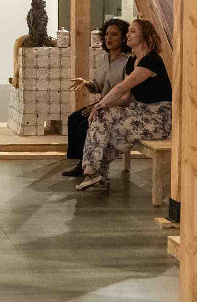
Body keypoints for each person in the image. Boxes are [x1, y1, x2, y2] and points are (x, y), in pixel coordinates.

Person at [74, 18, 172, 192]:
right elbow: (126, 98)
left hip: (157, 118)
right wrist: (103, 107)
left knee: (113, 128)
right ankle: (93, 172)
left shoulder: (151, 60)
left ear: (145, 36)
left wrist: (99, 104)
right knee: (103, 115)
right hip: (139, 112)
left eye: (133, 31)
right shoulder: (130, 62)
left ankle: (96, 174)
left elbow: (122, 87)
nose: (128, 34)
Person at [60, 18, 133, 177]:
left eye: (114, 35)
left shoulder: (128, 62)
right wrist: (86, 83)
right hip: (101, 104)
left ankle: (88, 165)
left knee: (83, 125)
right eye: (106, 34)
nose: (109, 38)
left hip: (116, 108)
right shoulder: (103, 59)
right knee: (74, 118)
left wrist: (99, 106)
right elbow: (99, 87)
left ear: (123, 38)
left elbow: (126, 94)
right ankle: (80, 162)